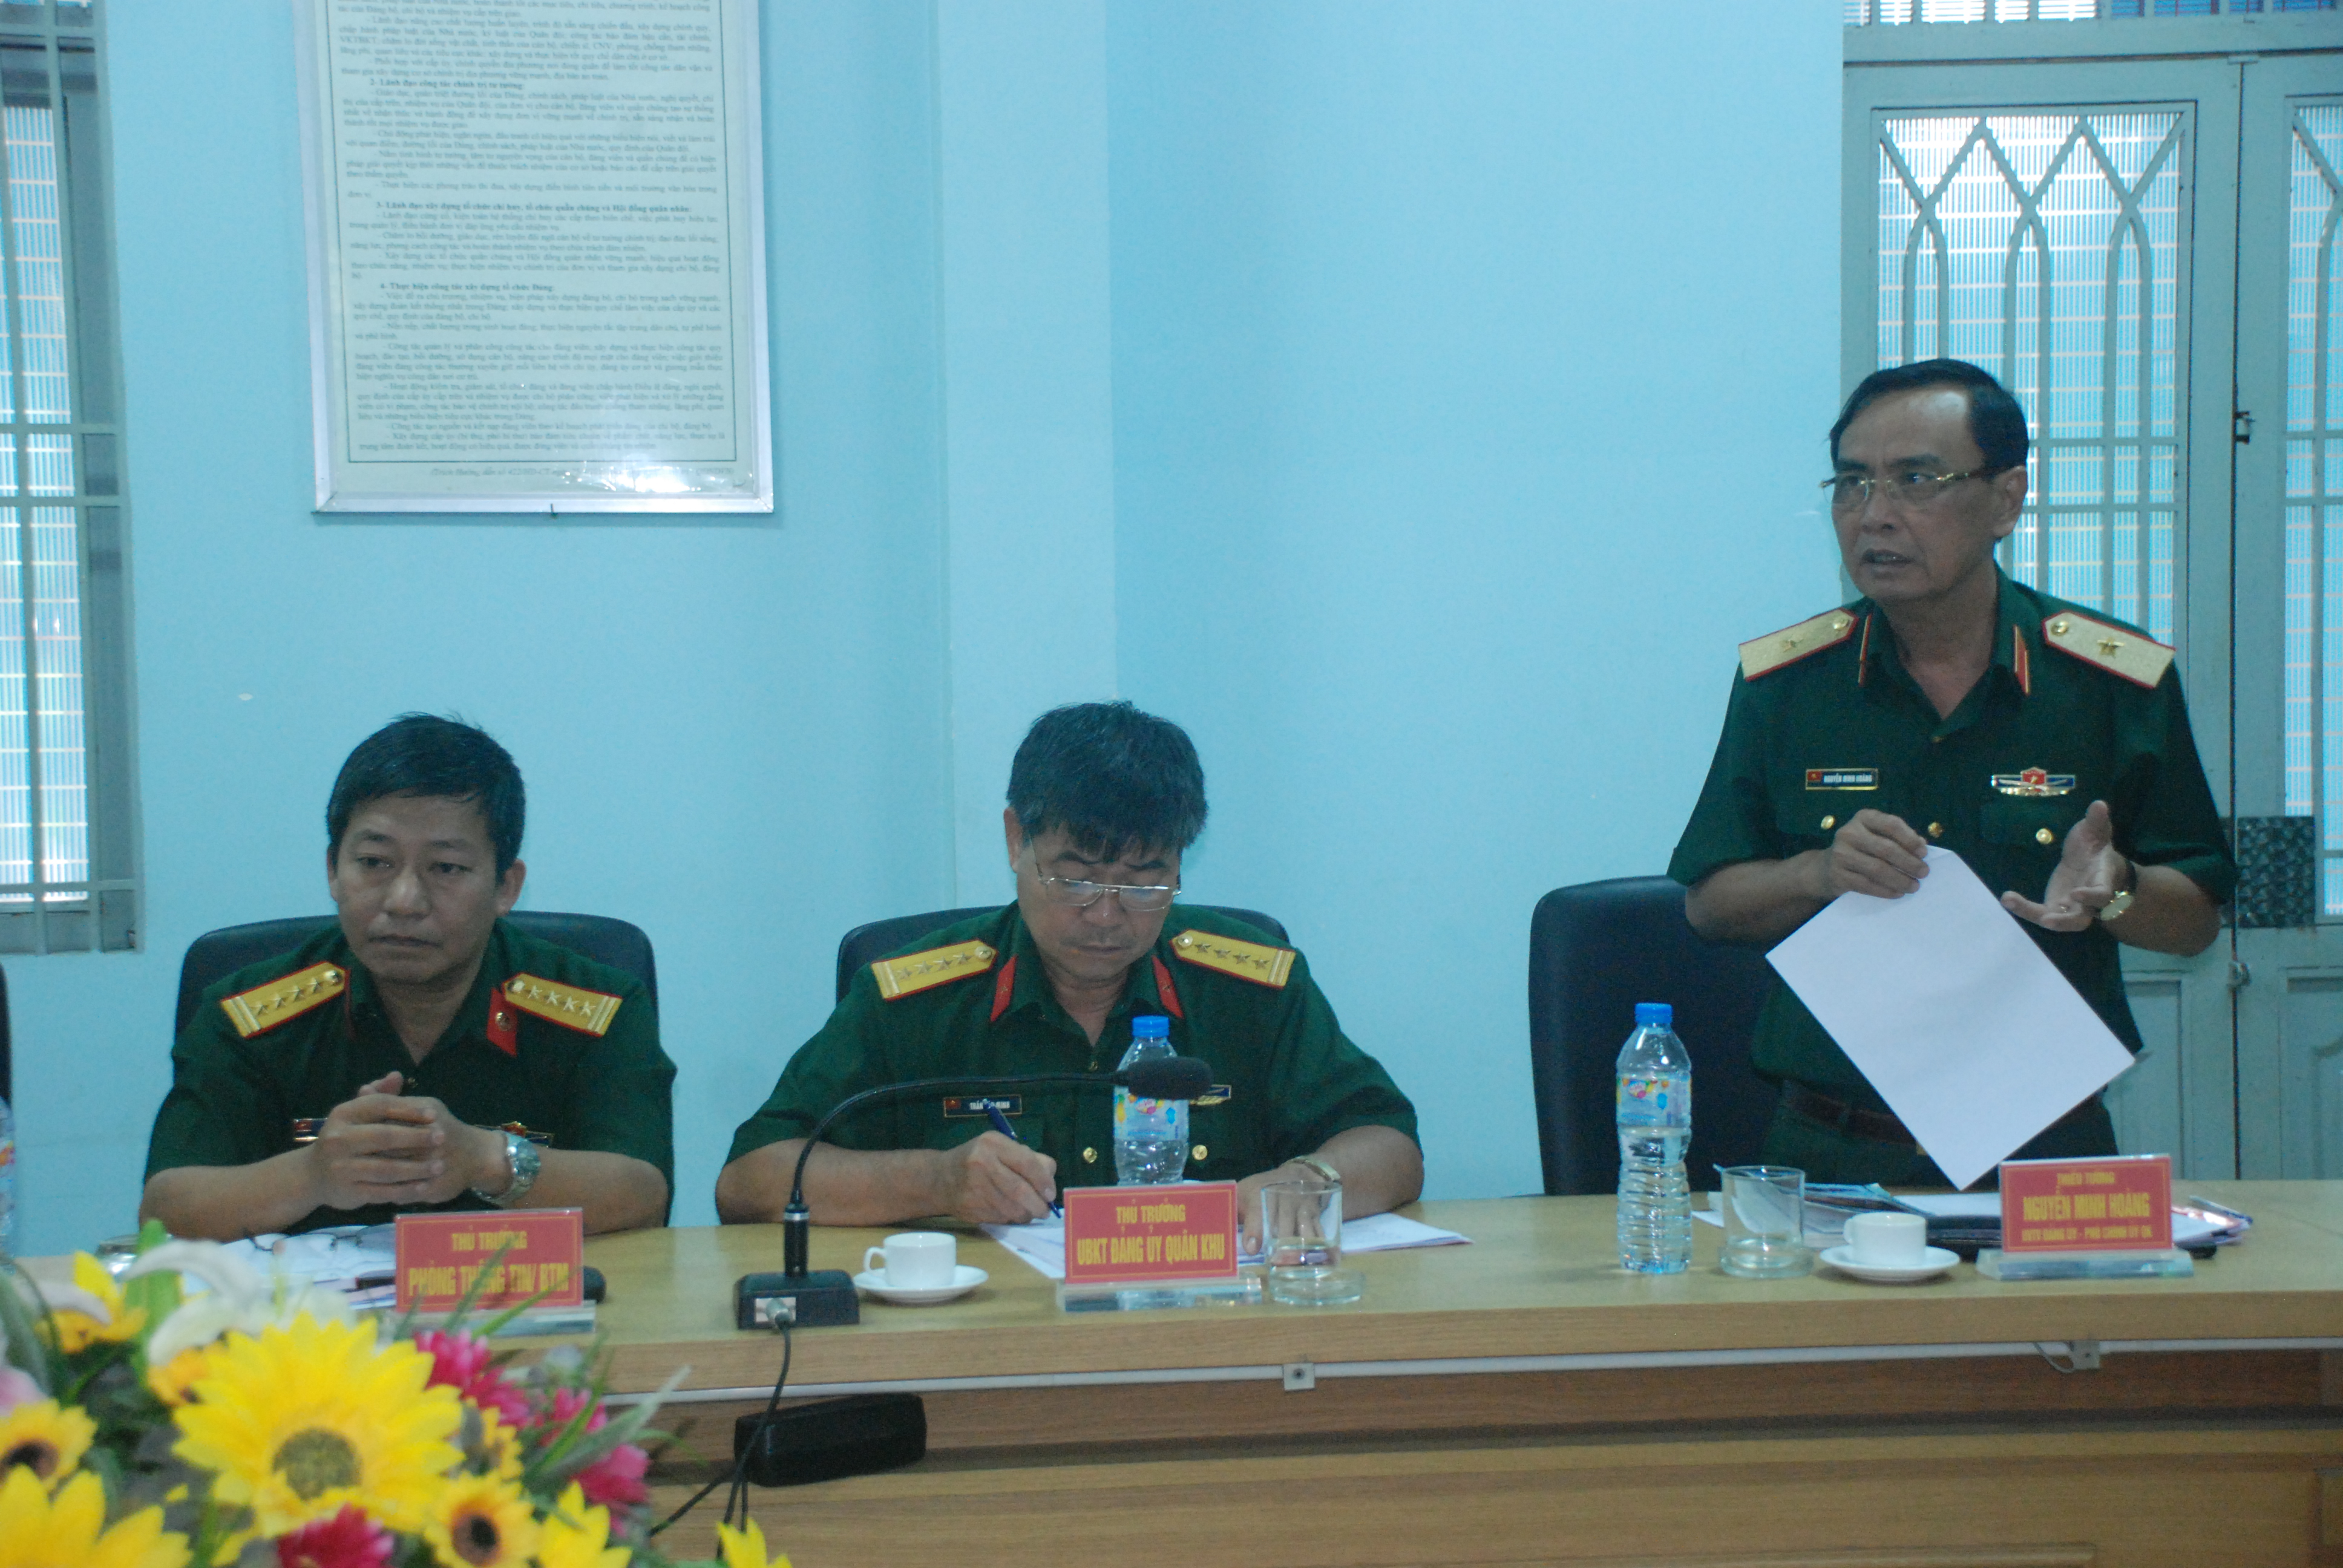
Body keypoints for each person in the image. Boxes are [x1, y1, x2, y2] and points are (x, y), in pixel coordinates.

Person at [1670, 359, 2235, 1186]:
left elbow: (2195, 925)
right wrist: (1817, 873)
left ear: (2007, 499)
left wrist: (2114, 890)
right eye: (1852, 484)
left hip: (2044, 1149)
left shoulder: (2113, 684)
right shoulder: (1786, 685)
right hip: (1831, 1151)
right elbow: (1709, 905)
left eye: (1916, 480)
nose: (1875, 515)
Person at [717, 701, 1422, 1233]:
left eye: (1144, 883)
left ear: (1180, 862)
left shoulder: (1251, 987)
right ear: (1015, 840)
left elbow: (1390, 1144)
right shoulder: (914, 998)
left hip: (1207, 1327)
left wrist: (1310, 1179)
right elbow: (749, 1180)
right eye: (1076, 878)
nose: (1107, 915)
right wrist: (936, 1181)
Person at [142, 714, 676, 1238]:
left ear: (506, 887)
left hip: (520, 1294)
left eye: (446, 868)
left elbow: (644, 1196)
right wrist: (313, 1175)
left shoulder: (597, 1008)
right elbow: (165, 1214)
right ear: (333, 870)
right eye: (375, 862)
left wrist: (485, 1160)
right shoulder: (248, 1014)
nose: (403, 901)